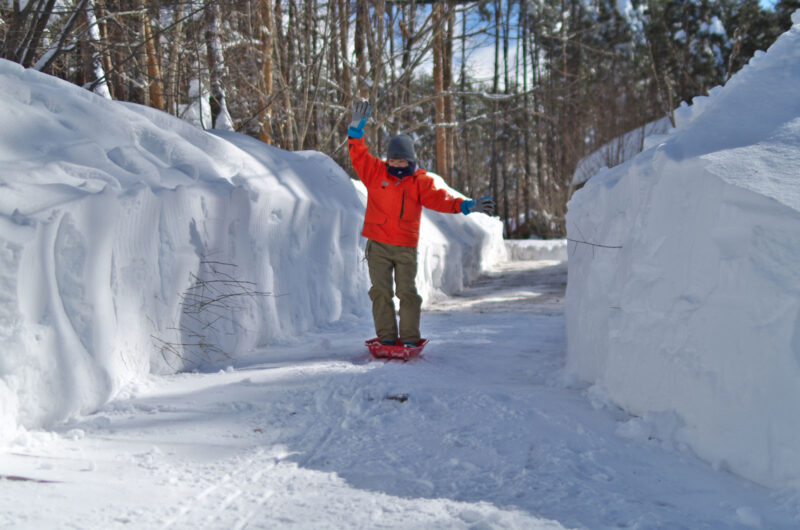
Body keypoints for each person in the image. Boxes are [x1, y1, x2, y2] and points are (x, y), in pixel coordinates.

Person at [346, 101, 495, 347]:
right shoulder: (375, 173)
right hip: (378, 245)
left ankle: (409, 339)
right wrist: (355, 129)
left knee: (407, 293)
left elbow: (441, 200)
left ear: (410, 161)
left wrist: (467, 205)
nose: (397, 165)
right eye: (393, 160)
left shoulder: (419, 182)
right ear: (388, 159)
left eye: (402, 161)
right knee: (380, 291)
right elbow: (357, 155)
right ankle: (386, 336)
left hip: (405, 247)